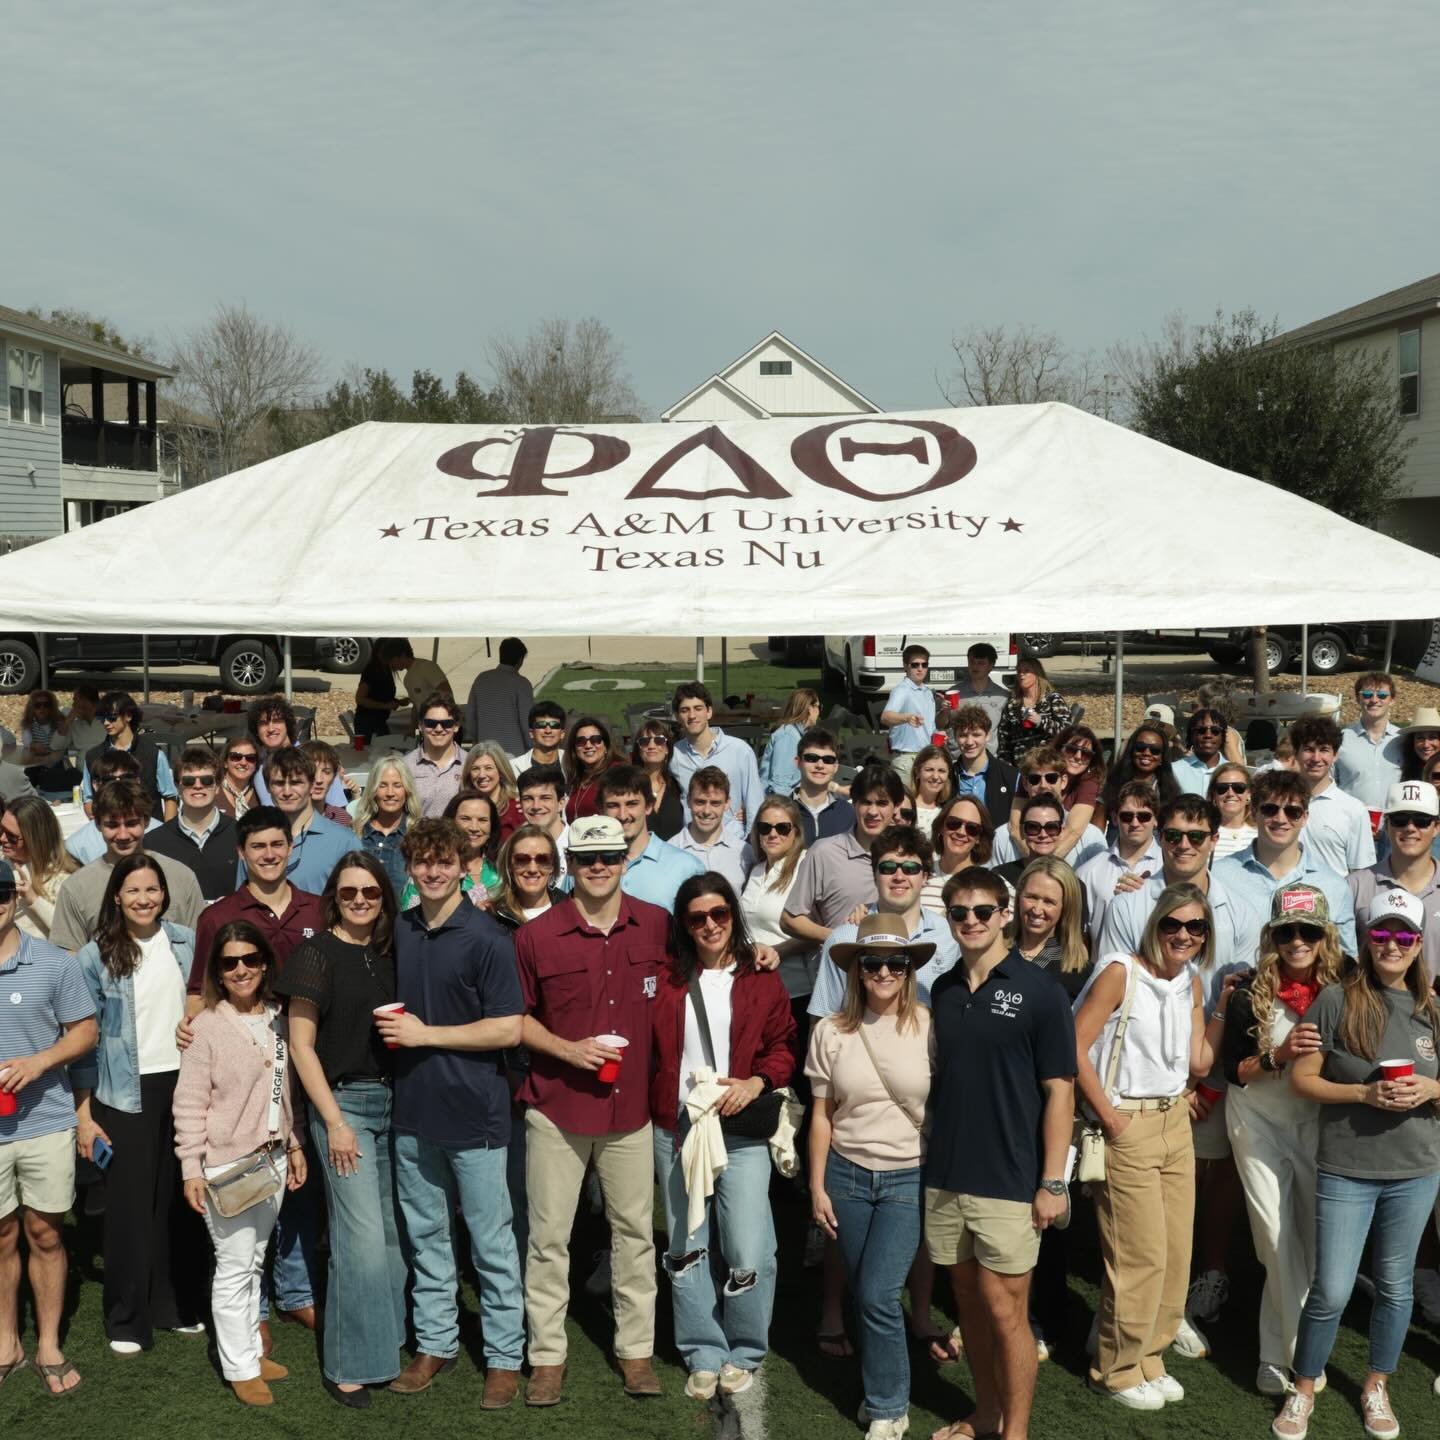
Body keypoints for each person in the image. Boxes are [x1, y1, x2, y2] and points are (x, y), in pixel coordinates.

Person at [513, 814, 670, 1406]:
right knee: (548, 1239)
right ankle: (547, 1359)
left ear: (626, 860)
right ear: (569, 865)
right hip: (557, 1107)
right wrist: (567, 1049)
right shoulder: (535, 936)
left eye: (608, 856)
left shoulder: (657, 925)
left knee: (635, 1235)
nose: (598, 867)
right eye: (586, 858)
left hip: (631, 1111)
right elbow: (518, 1018)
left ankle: (636, 1354)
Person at [1272, 888, 1440, 1440]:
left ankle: (1376, 1384)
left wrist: (1431, 1089)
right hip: (1346, 1168)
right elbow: (1302, 1080)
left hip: (1416, 1169)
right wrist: (1363, 1095)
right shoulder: (1335, 999)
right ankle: (1303, 1388)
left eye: (1404, 935)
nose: (1392, 944)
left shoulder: (1433, 1007)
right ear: (1367, 940)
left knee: (1395, 1287)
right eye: (1381, 933)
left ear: (1418, 943)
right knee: (1332, 1290)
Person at [926, 866, 1076, 1440]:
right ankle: (986, 1414)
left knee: (1007, 1309)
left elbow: (1060, 1091)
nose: (971, 921)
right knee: (968, 1302)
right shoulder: (943, 989)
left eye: (982, 911)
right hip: (945, 1174)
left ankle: (1015, 1433)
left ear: (1004, 915)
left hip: (1011, 1176)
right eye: (959, 912)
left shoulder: (1041, 991)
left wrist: (1053, 1181)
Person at [383, 818, 525, 1409]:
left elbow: (508, 1028)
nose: (433, 872)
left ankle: (504, 1356)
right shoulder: (400, 929)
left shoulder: (489, 937)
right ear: (410, 868)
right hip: (413, 1112)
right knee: (427, 1239)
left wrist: (426, 1036)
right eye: (423, 862)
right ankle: (435, 1343)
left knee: (491, 1243)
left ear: (465, 867)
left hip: (476, 1114)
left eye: (444, 861)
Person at [1073, 882, 1225, 1410]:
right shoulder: (1121, 971)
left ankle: (1150, 1357)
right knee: (1139, 1257)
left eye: (1195, 926)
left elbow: (1198, 1063)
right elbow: (1074, 1044)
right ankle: (1115, 1368)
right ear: (1155, 925)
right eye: (1172, 924)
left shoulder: (1191, 981)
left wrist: (1222, 1006)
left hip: (1174, 1121)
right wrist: (1111, 1117)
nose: (1183, 935)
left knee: (1175, 1254)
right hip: (1128, 1123)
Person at [651, 874, 796, 1400]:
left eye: (719, 913)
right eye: (697, 917)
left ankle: (746, 1349)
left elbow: (783, 1046)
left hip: (740, 1126)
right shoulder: (664, 979)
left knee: (748, 1247)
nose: (710, 925)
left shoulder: (761, 976)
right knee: (686, 1246)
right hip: (679, 1125)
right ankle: (702, 1351)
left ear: (733, 914)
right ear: (684, 925)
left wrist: (757, 1082)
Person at [277, 853, 405, 1408]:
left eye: (370, 893)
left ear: (384, 899)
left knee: (392, 1237)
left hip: (394, 1102)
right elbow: (300, 1045)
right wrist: (332, 1122)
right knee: (360, 1242)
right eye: (349, 892)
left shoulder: (389, 952)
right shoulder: (316, 954)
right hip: (344, 1105)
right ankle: (347, 1363)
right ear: (334, 897)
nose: (359, 901)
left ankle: (386, 1346)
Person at [807, 913, 936, 1440]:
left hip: (909, 1176)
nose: (884, 972)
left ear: (909, 969)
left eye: (896, 963)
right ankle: (881, 1390)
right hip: (846, 1174)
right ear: (856, 969)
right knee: (865, 1292)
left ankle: (888, 1406)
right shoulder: (829, 1031)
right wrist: (816, 1186)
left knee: (879, 1294)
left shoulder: (931, 1026)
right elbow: (821, 1115)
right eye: (873, 963)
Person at [71, 855, 204, 1353]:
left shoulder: (187, 943)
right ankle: (126, 1319)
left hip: (184, 1086)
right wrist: (84, 1115)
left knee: (177, 1202)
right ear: (117, 897)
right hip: (125, 1094)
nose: (144, 899)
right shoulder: (94, 956)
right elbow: (84, 1042)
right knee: (128, 1210)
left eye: (152, 890)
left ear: (165, 894)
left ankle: (175, 1306)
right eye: (133, 891)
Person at [172, 923, 307, 1407]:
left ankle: (250, 1350)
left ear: (265, 963)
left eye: (250, 959)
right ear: (217, 971)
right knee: (233, 1266)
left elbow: (285, 1093)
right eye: (230, 963)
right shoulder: (205, 1027)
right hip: (224, 1165)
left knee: (254, 1260)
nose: (241, 969)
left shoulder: (280, 1017)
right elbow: (189, 1103)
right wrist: (191, 1168)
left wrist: (294, 1144)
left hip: (272, 1159)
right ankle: (240, 1367)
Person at [1221, 885, 1339, 1397]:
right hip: (1257, 1121)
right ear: (1272, 937)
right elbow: (1235, 1071)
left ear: (1324, 935)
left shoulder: (1344, 988)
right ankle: (1304, 1354)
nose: (1297, 941)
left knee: (1307, 1244)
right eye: (1286, 931)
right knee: (1273, 1237)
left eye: (1308, 931)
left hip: (1318, 1124)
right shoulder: (1250, 992)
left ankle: (1273, 1355)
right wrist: (1282, 1053)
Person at [0, 857, 97, 1396]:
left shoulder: (55, 963)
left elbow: (85, 1032)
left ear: (14, 898)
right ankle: (7, 1342)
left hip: (45, 1121)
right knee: (1, 1236)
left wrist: (39, 1062)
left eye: (0, 894)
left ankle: (49, 1344)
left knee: (45, 1233)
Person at [809, 825, 960, 1017]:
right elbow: (823, 1017)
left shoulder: (950, 935)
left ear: (925, 877)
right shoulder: (843, 939)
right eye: (888, 868)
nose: (899, 877)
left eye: (910, 868)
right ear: (874, 876)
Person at [186, 807, 326, 1003]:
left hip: (311, 1021)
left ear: (290, 847)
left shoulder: (320, 910)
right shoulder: (216, 918)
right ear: (241, 852)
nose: (269, 855)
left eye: (277, 844)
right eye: (258, 846)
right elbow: (199, 993)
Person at [49, 780, 206, 953]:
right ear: (98, 824)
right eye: (112, 825)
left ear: (146, 821)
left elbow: (201, 947)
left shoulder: (181, 877)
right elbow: (69, 956)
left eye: (131, 824)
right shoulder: (76, 888)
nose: (123, 835)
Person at [1215, 767, 1358, 954]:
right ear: (1254, 812)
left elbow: (1346, 958)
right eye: (1270, 809)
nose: (1281, 819)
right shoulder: (1219, 877)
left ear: (1305, 817)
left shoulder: (1334, 886)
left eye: (1292, 811)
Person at [783, 765, 903, 963]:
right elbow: (790, 919)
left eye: (882, 803)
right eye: (866, 802)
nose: (873, 812)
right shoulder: (824, 852)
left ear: (896, 806)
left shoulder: (907, 859)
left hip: (894, 969)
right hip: (839, 970)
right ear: (854, 803)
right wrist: (840, 938)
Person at [1349, 780, 1440, 983]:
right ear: (1387, 825)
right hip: (1370, 1001)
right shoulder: (1355, 886)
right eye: (1400, 819)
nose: (1410, 828)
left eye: (1421, 820)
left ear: (1436, 827)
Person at [741, 796, 813, 1026]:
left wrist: (779, 951)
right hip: (753, 989)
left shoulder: (807, 865)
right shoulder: (755, 870)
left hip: (794, 992)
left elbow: (818, 930)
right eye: (765, 827)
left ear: (795, 832)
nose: (773, 834)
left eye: (782, 828)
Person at [597, 764, 704, 911]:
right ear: (601, 810)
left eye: (632, 804)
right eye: (613, 805)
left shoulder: (686, 868)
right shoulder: (585, 867)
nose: (622, 815)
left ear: (648, 806)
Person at [145, 745, 241, 901]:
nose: (198, 786)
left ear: (217, 786)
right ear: (178, 786)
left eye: (206, 780)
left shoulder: (241, 835)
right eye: (189, 781)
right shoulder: (154, 843)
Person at [255, 748, 355, 895]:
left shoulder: (344, 842)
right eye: (279, 783)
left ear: (311, 785)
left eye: (296, 783)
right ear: (268, 787)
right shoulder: (254, 840)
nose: (287, 792)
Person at [1075, 781, 1161, 949]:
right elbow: (1080, 937)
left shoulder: (1171, 868)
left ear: (1156, 820)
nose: (1135, 823)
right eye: (1127, 816)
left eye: (1144, 816)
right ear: (1115, 818)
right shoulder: (1087, 873)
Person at [1289, 714, 1376, 876]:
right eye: (1308, 749)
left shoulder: (1354, 810)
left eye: (1324, 750)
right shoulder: (1278, 804)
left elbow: (1361, 875)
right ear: (1295, 753)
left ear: (1335, 755)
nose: (1316, 758)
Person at [669, 682, 764, 827]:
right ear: (677, 716)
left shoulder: (740, 751)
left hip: (733, 837)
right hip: (691, 838)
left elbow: (755, 805)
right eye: (685, 710)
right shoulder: (674, 755)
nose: (692, 715)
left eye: (698, 708)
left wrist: (750, 838)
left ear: (709, 712)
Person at [999, 746, 1106, 866]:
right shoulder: (1003, 837)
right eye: (1034, 779)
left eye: (1051, 778)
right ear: (1025, 784)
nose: (1043, 785)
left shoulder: (1091, 837)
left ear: (1063, 781)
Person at [81, 691, 177, 823]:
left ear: (128, 716)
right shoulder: (93, 756)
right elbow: (88, 799)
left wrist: (166, 831)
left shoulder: (153, 753)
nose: (106, 723)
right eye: (102, 718)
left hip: (150, 830)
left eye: (112, 717)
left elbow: (170, 796)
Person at [1013, 856, 1092, 998]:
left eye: (1048, 902)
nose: (1037, 910)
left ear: (1066, 907)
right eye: (1031, 897)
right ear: (1019, 896)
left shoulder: (1077, 972)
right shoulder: (993, 950)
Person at [66, 749, 160, 865]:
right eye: (109, 781)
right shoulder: (76, 847)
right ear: (95, 785)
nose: (118, 786)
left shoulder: (163, 836)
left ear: (138, 781)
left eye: (126, 779)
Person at [0, 794, 76, 940]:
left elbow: (71, 932)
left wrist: (33, 899)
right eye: (1, 830)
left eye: (11, 836)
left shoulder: (60, 878)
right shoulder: (2, 862)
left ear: (35, 839)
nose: (2, 838)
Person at [1333, 671, 1404, 813]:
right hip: (1350, 821)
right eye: (1367, 694)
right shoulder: (1341, 740)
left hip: (1396, 823)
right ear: (1358, 699)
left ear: (1392, 700)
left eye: (1382, 695)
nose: (1374, 700)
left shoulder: (1403, 739)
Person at [671, 766, 750, 892]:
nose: (707, 811)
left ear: (727, 803)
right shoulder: (670, 852)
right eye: (700, 802)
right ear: (688, 801)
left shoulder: (745, 853)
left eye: (715, 803)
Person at [352, 757, 421, 897]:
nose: (390, 793)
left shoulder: (419, 835)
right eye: (382, 785)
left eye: (397, 785)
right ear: (373, 789)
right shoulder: (355, 833)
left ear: (407, 789)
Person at [921, 795, 996, 914]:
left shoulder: (994, 885)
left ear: (979, 838)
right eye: (954, 823)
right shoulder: (916, 876)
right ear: (941, 827)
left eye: (972, 828)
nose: (961, 832)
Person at [950, 704, 1021, 830]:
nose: (969, 742)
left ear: (988, 735)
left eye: (976, 735)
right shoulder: (948, 777)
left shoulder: (1012, 776)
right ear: (955, 737)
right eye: (963, 735)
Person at [995, 656, 1069, 766]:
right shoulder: (1013, 704)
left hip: (1048, 763)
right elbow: (1004, 737)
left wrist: (1041, 721)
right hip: (1019, 765)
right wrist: (1006, 765)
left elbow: (1067, 732)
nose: (1021, 674)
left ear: (1037, 674)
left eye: (1026, 671)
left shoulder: (1052, 699)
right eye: (1019, 671)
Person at [465, 637, 533, 753]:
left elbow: (470, 718)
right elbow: (527, 722)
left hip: (485, 752)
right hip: (513, 754)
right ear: (520, 659)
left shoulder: (482, 679)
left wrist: (477, 739)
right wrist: (532, 747)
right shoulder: (521, 683)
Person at [880, 645, 938, 782]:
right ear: (905, 666)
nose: (920, 668)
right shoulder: (902, 690)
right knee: (905, 796)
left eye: (924, 665)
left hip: (926, 758)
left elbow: (929, 728)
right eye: (915, 665)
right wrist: (906, 717)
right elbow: (885, 717)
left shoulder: (928, 692)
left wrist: (938, 735)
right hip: (906, 759)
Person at [789, 726, 854, 846]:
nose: (820, 765)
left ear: (835, 767)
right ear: (798, 762)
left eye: (828, 760)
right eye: (811, 758)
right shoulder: (781, 811)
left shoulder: (849, 814)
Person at [491, 825, 565, 927]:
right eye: (522, 859)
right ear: (509, 865)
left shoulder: (571, 910)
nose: (532, 869)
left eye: (542, 859)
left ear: (552, 864)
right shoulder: (492, 916)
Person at [403, 696, 465, 817]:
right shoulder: (405, 765)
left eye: (446, 724)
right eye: (431, 723)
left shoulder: (471, 763)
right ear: (420, 725)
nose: (438, 729)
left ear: (456, 726)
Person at [1103, 723, 1181, 817]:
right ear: (1131, 751)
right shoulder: (1112, 786)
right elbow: (1097, 824)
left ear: (1162, 758)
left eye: (1155, 750)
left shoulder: (1171, 794)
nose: (1147, 753)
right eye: (1140, 747)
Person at [441, 788, 503, 899]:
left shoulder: (503, 865)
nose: (474, 828)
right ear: (450, 822)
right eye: (465, 819)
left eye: (482, 820)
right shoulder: (432, 866)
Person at [629, 719, 685, 840]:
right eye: (644, 741)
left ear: (667, 749)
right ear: (638, 749)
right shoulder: (629, 786)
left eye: (659, 740)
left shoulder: (678, 786)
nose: (651, 746)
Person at [759, 687, 820, 796]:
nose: (819, 712)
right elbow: (780, 785)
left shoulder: (795, 734)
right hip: (781, 803)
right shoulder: (788, 736)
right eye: (818, 706)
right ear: (809, 708)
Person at [462, 740, 524, 839]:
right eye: (475, 769)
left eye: (488, 768)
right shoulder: (461, 807)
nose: (481, 775)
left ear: (501, 771)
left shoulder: (517, 808)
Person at [562, 715, 618, 823]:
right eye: (581, 741)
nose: (588, 745)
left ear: (606, 746)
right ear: (574, 748)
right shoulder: (576, 777)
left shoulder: (617, 772)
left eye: (595, 740)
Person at [1055, 723, 1108, 832]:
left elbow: (1073, 831)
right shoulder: (1039, 774)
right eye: (1071, 749)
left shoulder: (1090, 782)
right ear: (1059, 748)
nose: (1078, 756)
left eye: (1085, 753)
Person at [517, 764, 569, 870]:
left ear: (561, 803)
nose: (536, 806)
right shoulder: (514, 846)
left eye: (545, 798)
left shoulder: (577, 846)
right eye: (528, 798)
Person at [1171, 708, 1232, 797]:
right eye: (1201, 730)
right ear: (1191, 735)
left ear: (1223, 736)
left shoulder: (1234, 772)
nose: (1208, 735)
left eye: (1215, 730)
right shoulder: (1174, 771)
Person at [386, 638, 453, 715]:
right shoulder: (407, 679)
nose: (391, 665)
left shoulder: (426, 666)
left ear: (402, 655)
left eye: (392, 660)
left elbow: (446, 692)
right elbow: (416, 705)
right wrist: (414, 723)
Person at [354, 639, 403, 744]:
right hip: (367, 721)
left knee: (385, 747)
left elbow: (381, 695)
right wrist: (385, 706)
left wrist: (397, 702)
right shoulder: (372, 670)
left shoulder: (387, 669)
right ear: (379, 653)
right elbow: (360, 699)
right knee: (366, 750)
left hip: (381, 720)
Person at [301, 740, 356, 825]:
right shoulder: (284, 820)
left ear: (334, 777)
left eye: (326, 772)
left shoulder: (342, 819)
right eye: (312, 771)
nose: (319, 780)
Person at [1210, 763, 1258, 860]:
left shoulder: (1262, 835)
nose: (1230, 793)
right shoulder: (1205, 835)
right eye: (1222, 788)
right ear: (1214, 795)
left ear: (1249, 794)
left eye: (1238, 787)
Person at [511, 699, 567, 778]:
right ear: (531, 733)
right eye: (541, 725)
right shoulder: (513, 767)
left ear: (562, 734)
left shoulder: (573, 762)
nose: (548, 731)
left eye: (554, 725)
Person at [908, 743, 955, 836]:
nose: (935, 777)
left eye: (941, 771)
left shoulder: (948, 811)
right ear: (917, 772)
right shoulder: (906, 807)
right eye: (929, 770)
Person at [217, 735, 262, 820]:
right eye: (236, 757)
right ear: (225, 762)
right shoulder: (212, 791)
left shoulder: (261, 793)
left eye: (250, 758)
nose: (243, 763)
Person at [1398, 706, 1440, 782]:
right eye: (1420, 738)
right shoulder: (1406, 771)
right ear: (1412, 742)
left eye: (1432, 737)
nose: (1426, 745)